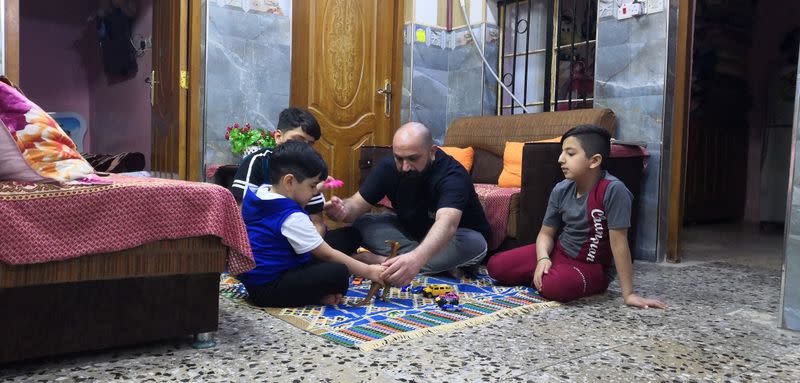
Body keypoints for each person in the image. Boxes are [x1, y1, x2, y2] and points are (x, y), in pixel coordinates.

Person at [487, 125, 666, 308]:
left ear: (594, 160)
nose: (560, 159)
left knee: (554, 287)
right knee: (495, 266)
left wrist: (628, 294)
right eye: (562, 152)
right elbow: (546, 234)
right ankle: (546, 273)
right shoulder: (561, 189)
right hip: (559, 252)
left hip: (591, 267)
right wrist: (543, 258)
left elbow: (619, 244)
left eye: (570, 154)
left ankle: (549, 278)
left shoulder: (613, 190)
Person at [324, 122, 491, 287]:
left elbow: (447, 224)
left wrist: (416, 259)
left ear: (432, 151)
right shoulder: (388, 167)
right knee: (365, 222)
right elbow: (356, 204)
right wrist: (342, 210)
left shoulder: (452, 175)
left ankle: (391, 261)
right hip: (413, 235)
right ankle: (432, 266)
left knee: (475, 242)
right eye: (399, 158)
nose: (405, 167)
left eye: (413, 158)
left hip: (453, 239)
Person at [237, 141, 386, 307]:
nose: (315, 191)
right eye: (312, 185)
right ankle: (315, 296)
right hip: (269, 288)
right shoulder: (291, 217)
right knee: (339, 272)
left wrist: (319, 189)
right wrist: (370, 272)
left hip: (261, 275)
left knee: (349, 235)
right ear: (289, 182)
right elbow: (327, 254)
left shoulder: (261, 192)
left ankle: (357, 260)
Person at [230, 107, 327, 235]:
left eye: (310, 144)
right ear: (278, 137)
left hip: (300, 240)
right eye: (298, 140)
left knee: (351, 235)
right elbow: (239, 215)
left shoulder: (311, 169)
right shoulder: (259, 161)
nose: (303, 148)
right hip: (262, 240)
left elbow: (317, 223)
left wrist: (308, 252)